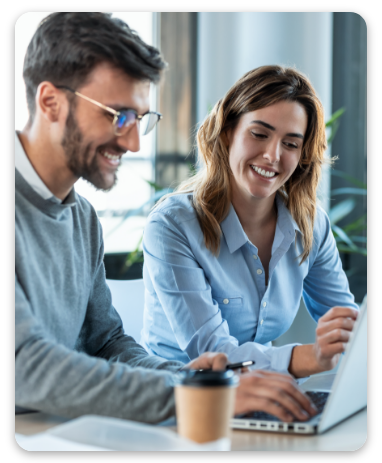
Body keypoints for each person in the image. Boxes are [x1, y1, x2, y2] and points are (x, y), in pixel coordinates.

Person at [15, 13, 317, 425]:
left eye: (140, 119)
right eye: (117, 115)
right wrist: (188, 394)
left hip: (58, 429)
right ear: (50, 101)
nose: (134, 142)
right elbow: (26, 367)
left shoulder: (80, 218)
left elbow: (106, 342)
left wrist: (191, 379)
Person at [141, 65, 359, 379]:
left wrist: (348, 337)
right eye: (259, 134)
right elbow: (213, 353)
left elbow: (347, 324)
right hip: (182, 399)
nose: (273, 155)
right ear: (228, 132)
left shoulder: (311, 225)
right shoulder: (172, 225)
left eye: (291, 144)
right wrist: (313, 357)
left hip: (266, 394)